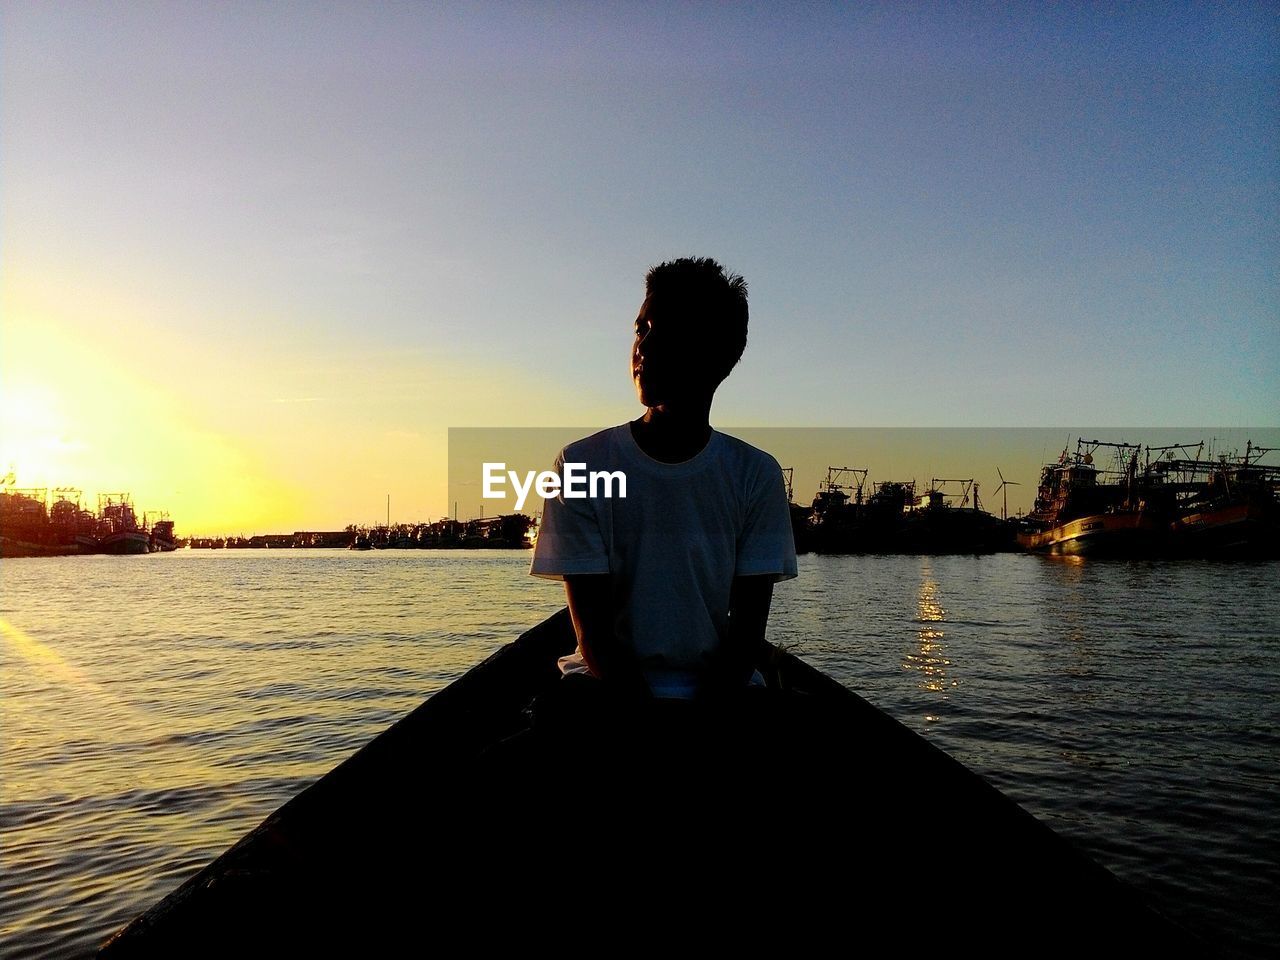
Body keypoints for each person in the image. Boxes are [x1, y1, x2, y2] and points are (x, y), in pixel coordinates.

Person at [529, 257, 797, 707]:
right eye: (640, 330)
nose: (643, 346)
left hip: (722, 697)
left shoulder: (755, 475)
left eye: (663, 330)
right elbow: (595, 641)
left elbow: (746, 637)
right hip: (603, 692)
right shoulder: (580, 465)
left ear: (714, 355)